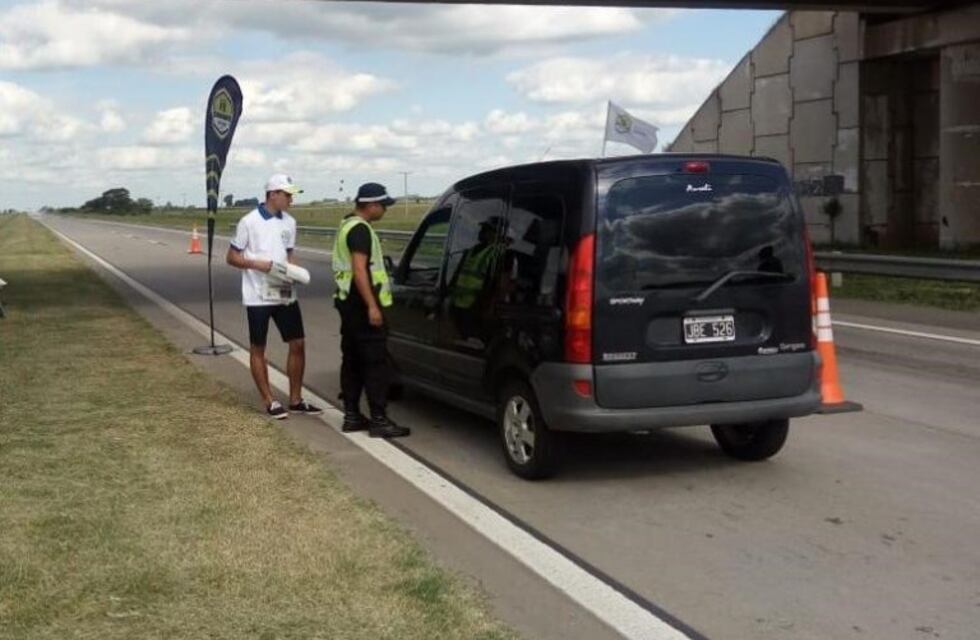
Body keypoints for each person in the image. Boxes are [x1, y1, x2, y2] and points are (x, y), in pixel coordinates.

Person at [226, 173, 322, 420]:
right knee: (259, 347)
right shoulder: (248, 222)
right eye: (287, 195)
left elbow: (289, 255)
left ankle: (296, 399)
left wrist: (294, 272)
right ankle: (269, 400)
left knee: (298, 343)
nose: (291, 200)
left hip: (283, 290)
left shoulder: (289, 222)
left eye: (292, 195)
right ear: (273, 195)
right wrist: (259, 265)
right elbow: (232, 257)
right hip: (257, 295)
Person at [332, 182, 409, 438]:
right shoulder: (361, 231)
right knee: (375, 363)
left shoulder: (346, 224)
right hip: (362, 307)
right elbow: (360, 269)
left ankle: (352, 415)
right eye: (384, 205)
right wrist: (373, 306)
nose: (385, 210)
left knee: (352, 360)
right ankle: (379, 419)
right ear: (372, 205)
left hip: (348, 305)